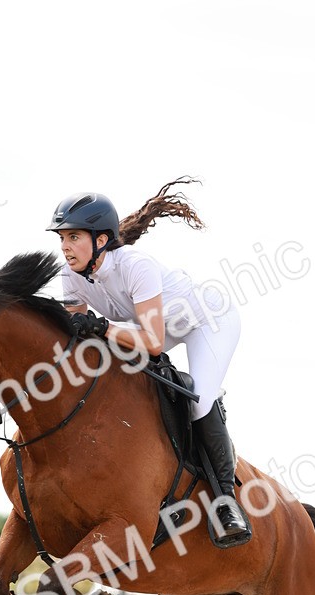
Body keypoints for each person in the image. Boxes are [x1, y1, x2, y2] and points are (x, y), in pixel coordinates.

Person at [46, 180, 250, 547]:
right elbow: (77, 339)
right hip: (146, 328)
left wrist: (103, 326)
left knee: (198, 400)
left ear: (101, 240)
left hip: (205, 321)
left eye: (73, 237)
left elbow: (153, 343)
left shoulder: (136, 266)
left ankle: (226, 502)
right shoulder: (69, 277)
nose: (65, 247)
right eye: (62, 238)